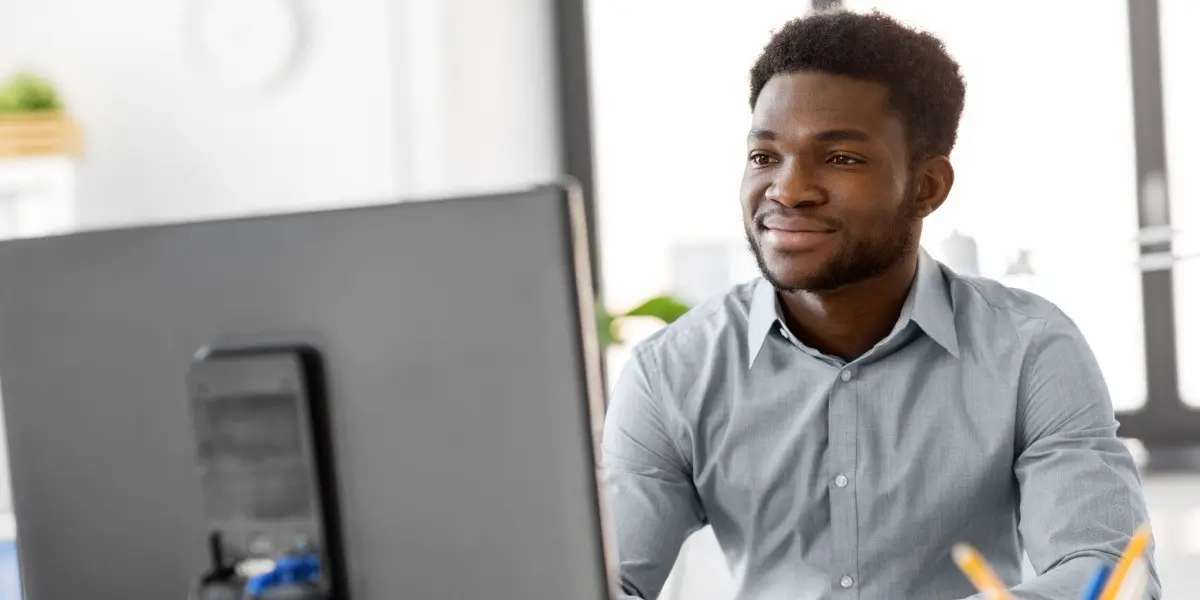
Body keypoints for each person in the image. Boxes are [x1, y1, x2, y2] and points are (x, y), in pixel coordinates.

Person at [601, 8, 1159, 600]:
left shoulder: (1031, 349)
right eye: (765, 157)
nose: (787, 191)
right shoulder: (671, 371)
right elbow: (603, 578)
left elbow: (1106, 572)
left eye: (840, 158)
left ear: (928, 187)